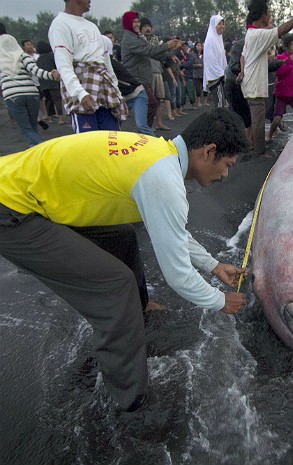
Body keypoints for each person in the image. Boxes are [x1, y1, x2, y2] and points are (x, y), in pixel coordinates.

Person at [0, 108, 250, 412]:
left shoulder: (158, 154)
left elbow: (171, 229)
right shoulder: (162, 179)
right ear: (209, 152)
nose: (225, 175)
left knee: (122, 235)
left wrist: (213, 264)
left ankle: (139, 307)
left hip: (23, 185)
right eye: (227, 165)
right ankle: (131, 400)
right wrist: (220, 300)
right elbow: (178, 275)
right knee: (115, 288)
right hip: (11, 208)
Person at [239, 0, 293, 157]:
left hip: (251, 83)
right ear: (263, 15)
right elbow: (283, 30)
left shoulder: (251, 34)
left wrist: (242, 72)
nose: (269, 17)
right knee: (258, 120)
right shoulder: (258, 34)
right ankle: (259, 153)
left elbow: (243, 56)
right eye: (268, 13)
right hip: (255, 85)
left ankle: (256, 147)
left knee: (256, 117)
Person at [48, 0, 127, 133]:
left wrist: (117, 92)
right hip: (82, 88)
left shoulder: (92, 26)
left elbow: (106, 64)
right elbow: (64, 65)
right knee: (88, 145)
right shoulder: (60, 24)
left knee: (113, 141)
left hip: (105, 91)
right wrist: (80, 94)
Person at [120, 11, 181, 130]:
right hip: (136, 79)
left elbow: (152, 53)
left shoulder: (137, 37)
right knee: (151, 103)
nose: (137, 24)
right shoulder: (130, 39)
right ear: (128, 23)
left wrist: (169, 56)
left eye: (138, 21)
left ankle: (143, 130)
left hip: (141, 78)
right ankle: (144, 132)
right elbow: (150, 51)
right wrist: (167, 46)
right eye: (134, 21)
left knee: (149, 103)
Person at [0, 33, 60, 146]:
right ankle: (35, 153)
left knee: (26, 129)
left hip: (12, 96)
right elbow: (36, 71)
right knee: (33, 127)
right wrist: (52, 75)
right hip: (31, 93)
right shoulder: (23, 56)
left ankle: (43, 147)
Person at [36, 40, 65, 125]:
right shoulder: (53, 56)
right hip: (53, 81)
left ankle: (50, 117)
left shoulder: (39, 59)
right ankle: (61, 118)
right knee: (57, 99)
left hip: (43, 82)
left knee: (48, 100)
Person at [202, 15, 227, 107]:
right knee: (220, 105)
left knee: (222, 104)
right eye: (219, 24)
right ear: (214, 25)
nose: (222, 26)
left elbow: (222, 59)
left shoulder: (218, 39)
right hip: (214, 77)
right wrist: (221, 73)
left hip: (220, 76)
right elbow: (210, 61)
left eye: (223, 24)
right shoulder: (210, 40)